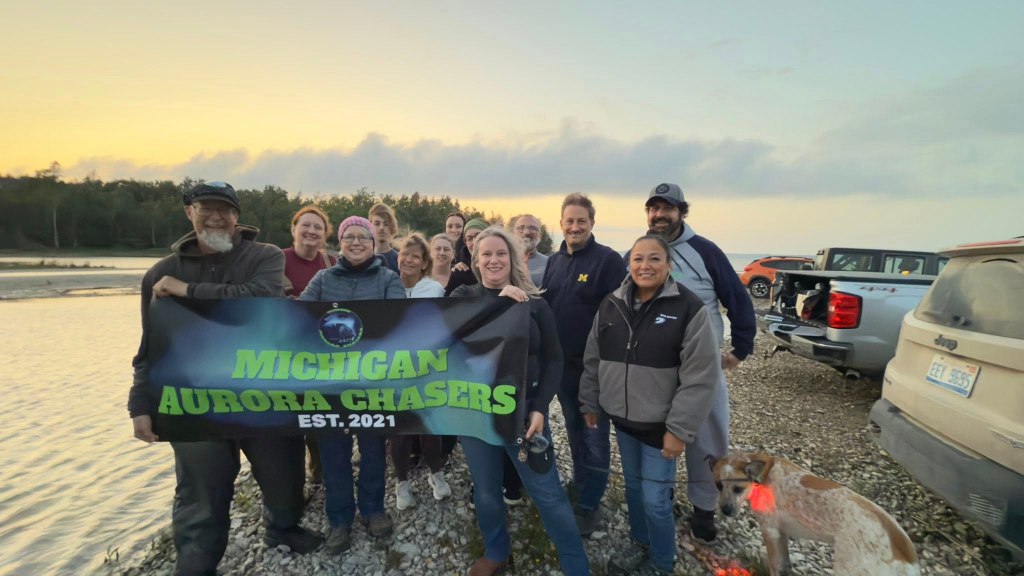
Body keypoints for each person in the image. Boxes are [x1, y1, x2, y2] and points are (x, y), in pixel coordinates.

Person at [129, 181, 321, 576]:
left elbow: (263, 297)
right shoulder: (160, 274)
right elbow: (151, 345)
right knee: (200, 493)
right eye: (206, 208)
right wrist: (140, 404)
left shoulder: (263, 256)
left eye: (225, 210)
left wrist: (188, 290)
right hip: (194, 401)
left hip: (264, 394)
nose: (215, 216)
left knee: (284, 474)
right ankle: (196, 562)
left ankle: (282, 528)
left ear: (237, 217)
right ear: (189, 213)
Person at [452, 227, 590, 576]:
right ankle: (496, 551)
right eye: (486, 254)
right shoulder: (464, 296)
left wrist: (541, 406)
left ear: (513, 260)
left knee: (548, 493)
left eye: (501, 253)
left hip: (524, 411)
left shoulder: (535, 305)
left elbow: (554, 359)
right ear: (476, 261)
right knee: (485, 491)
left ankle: (576, 564)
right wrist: (497, 303)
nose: (494, 260)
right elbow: (445, 336)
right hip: (475, 413)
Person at [580, 234, 721, 576]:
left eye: (654, 259)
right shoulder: (611, 304)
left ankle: (662, 563)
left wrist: (679, 430)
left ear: (669, 265)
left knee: (656, 501)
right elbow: (593, 358)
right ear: (629, 264)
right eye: (638, 259)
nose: (645, 266)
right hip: (624, 422)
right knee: (633, 490)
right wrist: (590, 402)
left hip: (662, 429)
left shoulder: (689, 309)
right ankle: (641, 543)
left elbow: (701, 377)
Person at [641, 182, 756, 543]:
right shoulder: (644, 252)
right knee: (661, 435)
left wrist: (740, 349)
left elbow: (738, 299)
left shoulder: (705, 251)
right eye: (653, 208)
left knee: (708, 438)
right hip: (658, 368)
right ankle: (664, 496)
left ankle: (705, 510)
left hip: (703, 367)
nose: (659, 215)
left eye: (667, 208)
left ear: (682, 212)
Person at [299, 215, 405, 554]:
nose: (356, 242)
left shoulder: (390, 278)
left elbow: (401, 320)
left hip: (374, 382)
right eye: (350, 237)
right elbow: (300, 316)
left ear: (374, 244)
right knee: (334, 454)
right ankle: (339, 520)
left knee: (373, 450)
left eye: (364, 236)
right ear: (340, 243)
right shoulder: (322, 277)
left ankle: (373, 510)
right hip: (330, 383)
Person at [540, 193, 626, 536]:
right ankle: (580, 483)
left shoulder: (607, 261)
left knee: (594, 437)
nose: (575, 227)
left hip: (594, 371)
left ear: (592, 223)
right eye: (569, 221)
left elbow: (619, 317)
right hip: (562, 368)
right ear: (560, 223)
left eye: (581, 221)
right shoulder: (554, 262)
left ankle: (590, 505)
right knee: (574, 431)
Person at [390, 233, 452, 510]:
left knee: (430, 425)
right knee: (400, 429)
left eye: (416, 256)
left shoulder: (434, 289)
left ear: (425, 262)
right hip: (392, 370)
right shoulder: (388, 285)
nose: (409, 260)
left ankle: (435, 473)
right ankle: (401, 482)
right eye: (406, 254)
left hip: (426, 369)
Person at [283, 205, 338, 485]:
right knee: (290, 418)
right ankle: (290, 483)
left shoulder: (332, 263)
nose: (311, 231)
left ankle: (319, 473)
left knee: (321, 415)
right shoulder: (276, 260)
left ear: (325, 234)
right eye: (306, 225)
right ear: (294, 228)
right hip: (286, 353)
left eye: (318, 227)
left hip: (323, 354)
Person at [445, 217, 487, 295]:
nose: (474, 242)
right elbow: (448, 305)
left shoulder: (503, 267)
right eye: (469, 238)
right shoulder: (459, 273)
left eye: (479, 236)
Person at [510, 213, 548, 287]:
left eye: (533, 228)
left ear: (540, 235)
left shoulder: (550, 263)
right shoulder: (504, 261)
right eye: (521, 228)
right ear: (513, 233)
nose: (526, 232)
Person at [369, 202, 400, 272]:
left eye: (386, 224)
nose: (381, 228)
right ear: (370, 226)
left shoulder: (400, 260)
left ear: (391, 227)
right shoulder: (363, 259)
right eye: (377, 224)